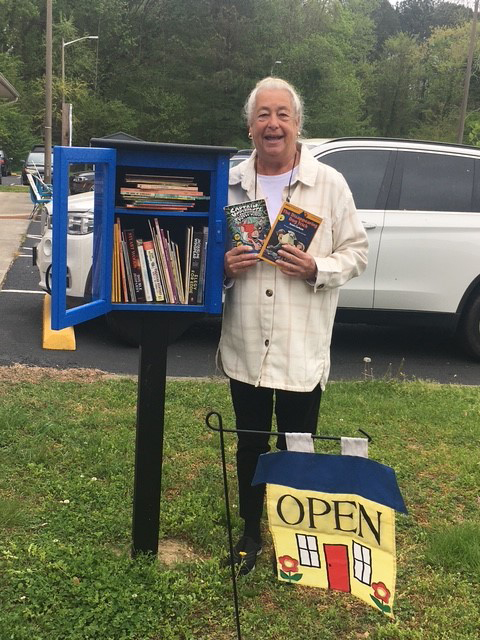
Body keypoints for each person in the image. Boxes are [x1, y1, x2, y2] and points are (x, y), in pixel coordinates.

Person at [218, 77, 368, 575]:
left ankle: (298, 543)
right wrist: (223, 265)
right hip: (245, 343)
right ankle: (250, 533)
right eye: (263, 114)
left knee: (297, 444)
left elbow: (356, 252)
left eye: (282, 114)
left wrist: (316, 269)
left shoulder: (330, 185)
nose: (273, 124)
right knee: (249, 443)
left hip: (301, 344)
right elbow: (202, 260)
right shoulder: (232, 183)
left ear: (298, 124)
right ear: (250, 125)